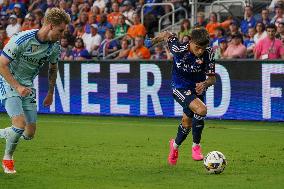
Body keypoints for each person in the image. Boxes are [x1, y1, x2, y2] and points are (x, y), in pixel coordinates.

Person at [0, 7, 70, 174]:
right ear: (51, 26)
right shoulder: (22, 39)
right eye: (61, 30)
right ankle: (7, 159)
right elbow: (1, 64)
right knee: (19, 124)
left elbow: (53, 69)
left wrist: (51, 92)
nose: (62, 34)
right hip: (8, 81)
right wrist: (17, 86)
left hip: (27, 87)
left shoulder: (54, 47)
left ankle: (7, 135)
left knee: (29, 133)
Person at [149, 27, 216, 165]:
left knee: (186, 124)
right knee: (202, 110)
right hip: (179, 87)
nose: (200, 51)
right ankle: (196, 146)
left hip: (197, 89)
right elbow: (167, 35)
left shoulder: (208, 53)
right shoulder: (178, 48)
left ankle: (174, 146)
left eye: (203, 48)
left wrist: (205, 84)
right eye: (197, 47)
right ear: (190, 41)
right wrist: (153, 41)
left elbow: (212, 79)